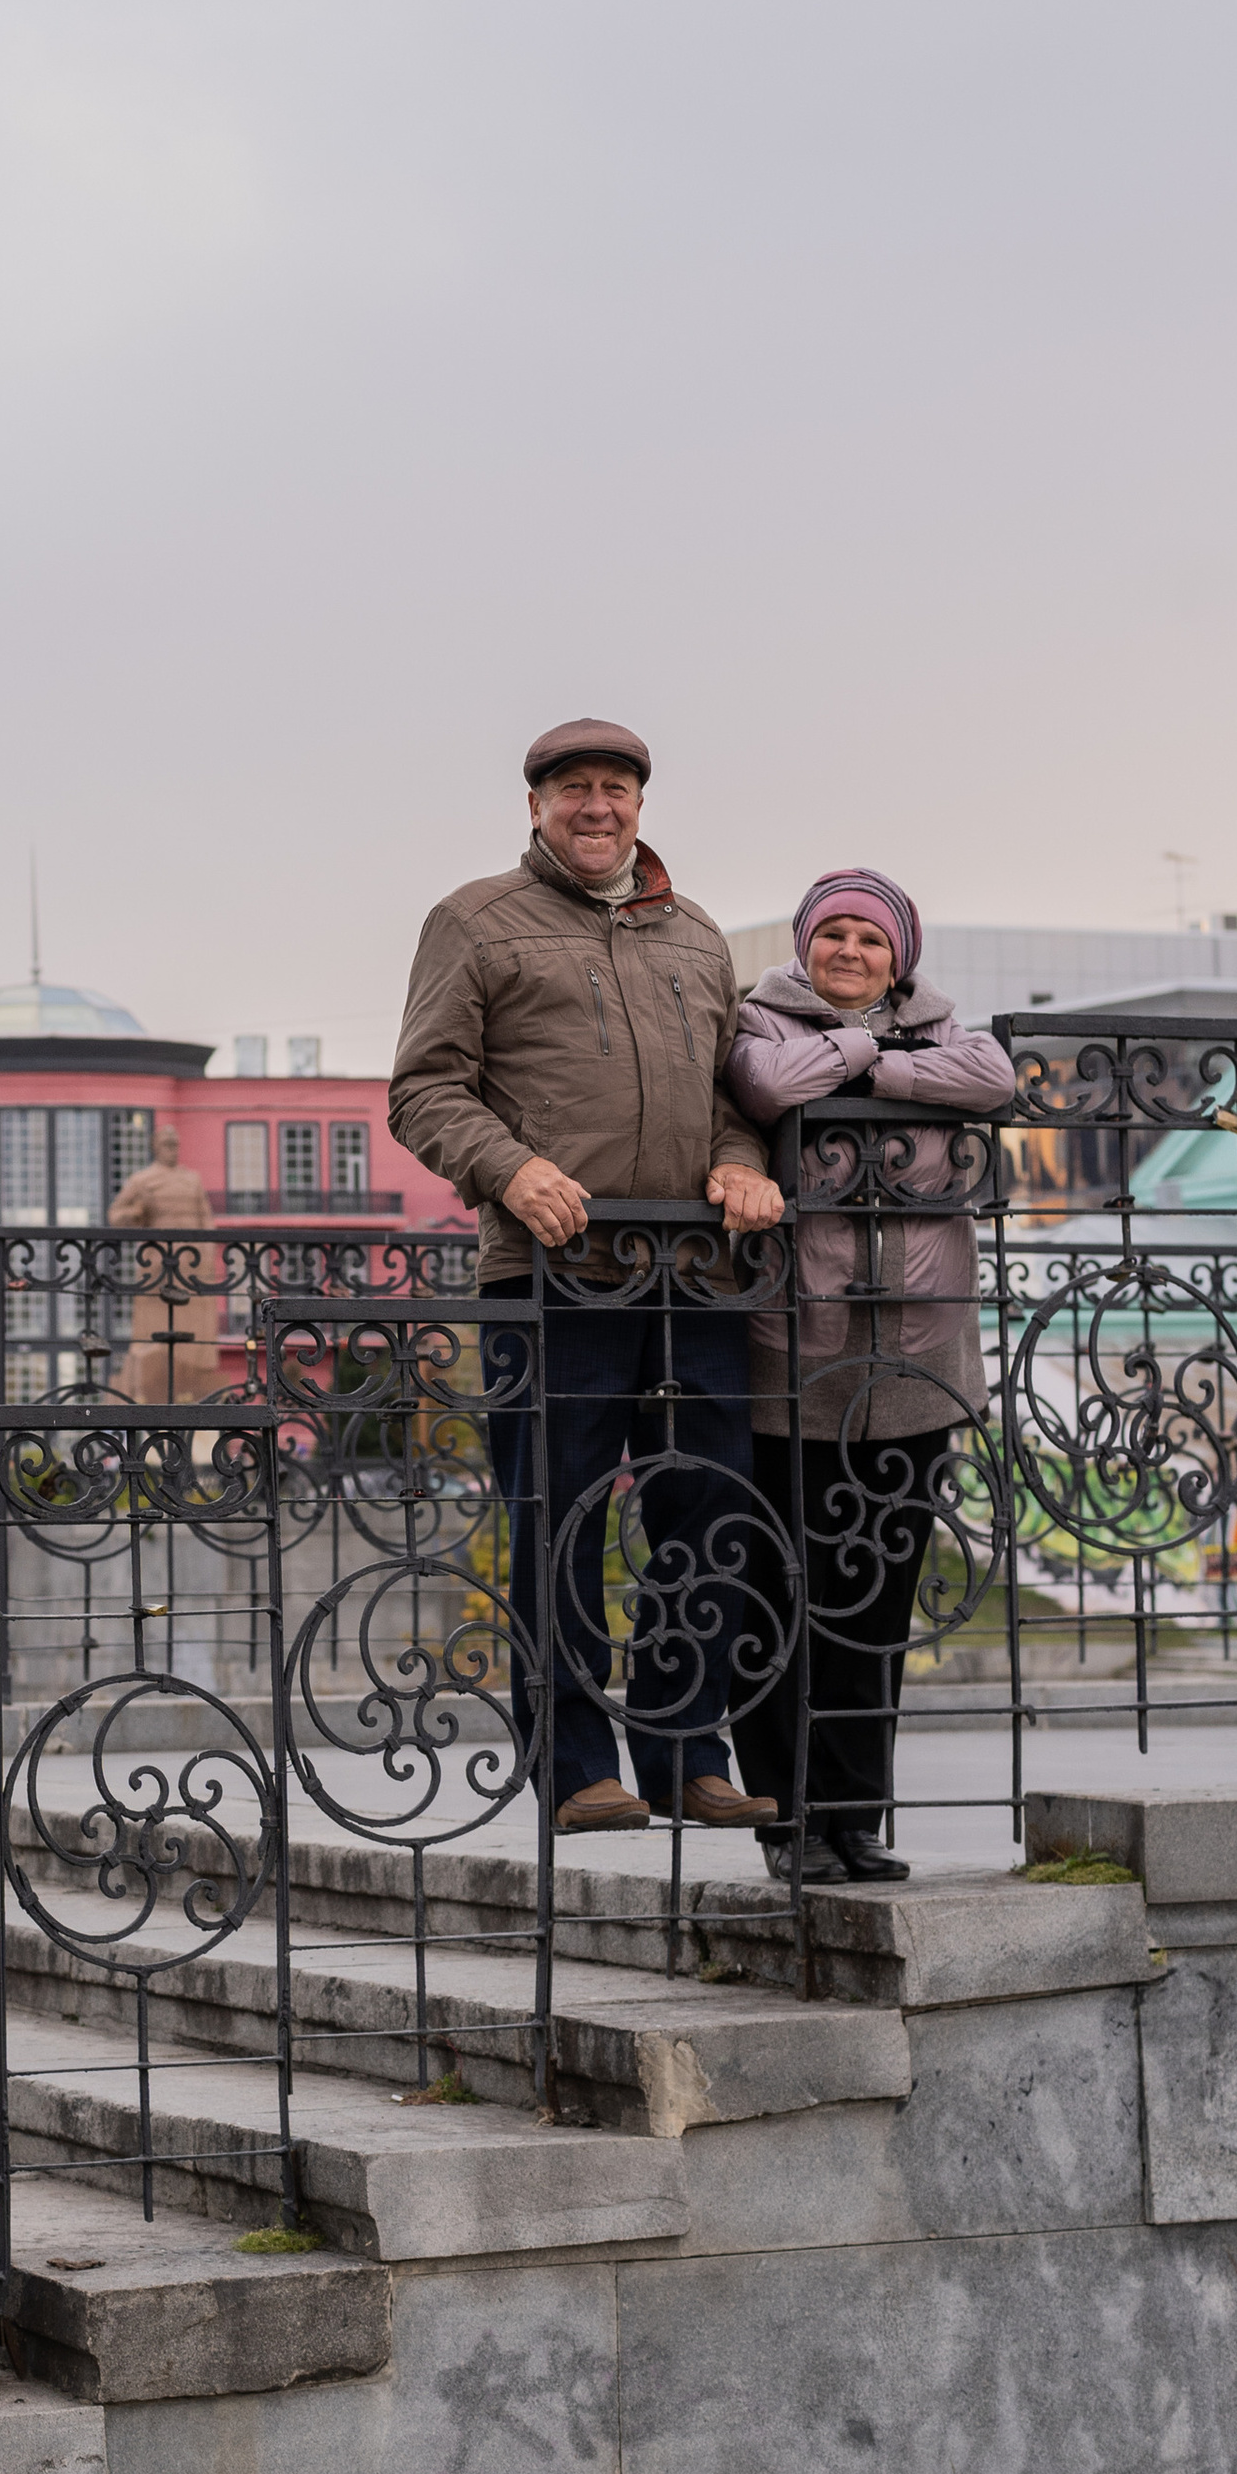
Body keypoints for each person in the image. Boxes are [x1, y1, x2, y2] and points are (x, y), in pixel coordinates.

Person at [389, 721, 786, 1835]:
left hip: (694, 1273)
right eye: (574, 790)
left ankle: (684, 1753)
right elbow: (423, 1090)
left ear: (641, 807)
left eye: (615, 789)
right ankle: (572, 1766)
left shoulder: (697, 935)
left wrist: (741, 1162)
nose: (596, 807)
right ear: (535, 806)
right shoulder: (474, 920)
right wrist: (509, 1172)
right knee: (554, 1517)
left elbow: (731, 1098)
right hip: (551, 1274)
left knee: (707, 1513)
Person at [727, 869, 1015, 1882]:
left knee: (876, 1597)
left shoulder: (945, 1027)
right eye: (833, 935)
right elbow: (766, 1088)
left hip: (915, 1360)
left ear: (902, 954)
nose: (850, 953)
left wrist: (870, 1068)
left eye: (871, 939)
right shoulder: (757, 1021)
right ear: (805, 944)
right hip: (791, 1356)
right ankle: (784, 1819)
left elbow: (993, 1082)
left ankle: (853, 1815)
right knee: (777, 1593)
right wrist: (864, 1048)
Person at [106, 1125, 221, 1406]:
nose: (172, 1148)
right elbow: (115, 1216)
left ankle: (195, 1373)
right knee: (151, 1335)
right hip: (157, 1267)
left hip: (192, 1266)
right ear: (155, 1146)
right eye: (166, 1143)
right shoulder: (142, 1180)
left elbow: (206, 1218)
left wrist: (208, 1251)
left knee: (196, 1334)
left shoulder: (192, 1180)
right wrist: (138, 1211)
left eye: (175, 1143)